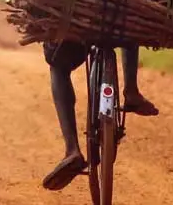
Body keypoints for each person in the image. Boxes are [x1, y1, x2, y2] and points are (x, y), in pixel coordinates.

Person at [41, 41, 160, 190]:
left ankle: (72, 150)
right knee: (129, 26)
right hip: (118, 28)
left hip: (79, 32)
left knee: (58, 66)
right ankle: (131, 90)